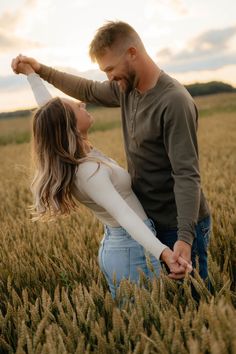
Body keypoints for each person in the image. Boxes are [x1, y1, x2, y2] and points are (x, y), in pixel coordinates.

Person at [11, 20, 211, 282]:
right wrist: (38, 71)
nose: (109, 78)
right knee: (167, 306)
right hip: (149, 225)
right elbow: (82, 94)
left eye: (110, 69)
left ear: (132, 53)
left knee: (194, 299)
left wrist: (185, 236)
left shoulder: (173, 101)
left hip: (178, 224)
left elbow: (186, 174)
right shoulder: (126, 90)